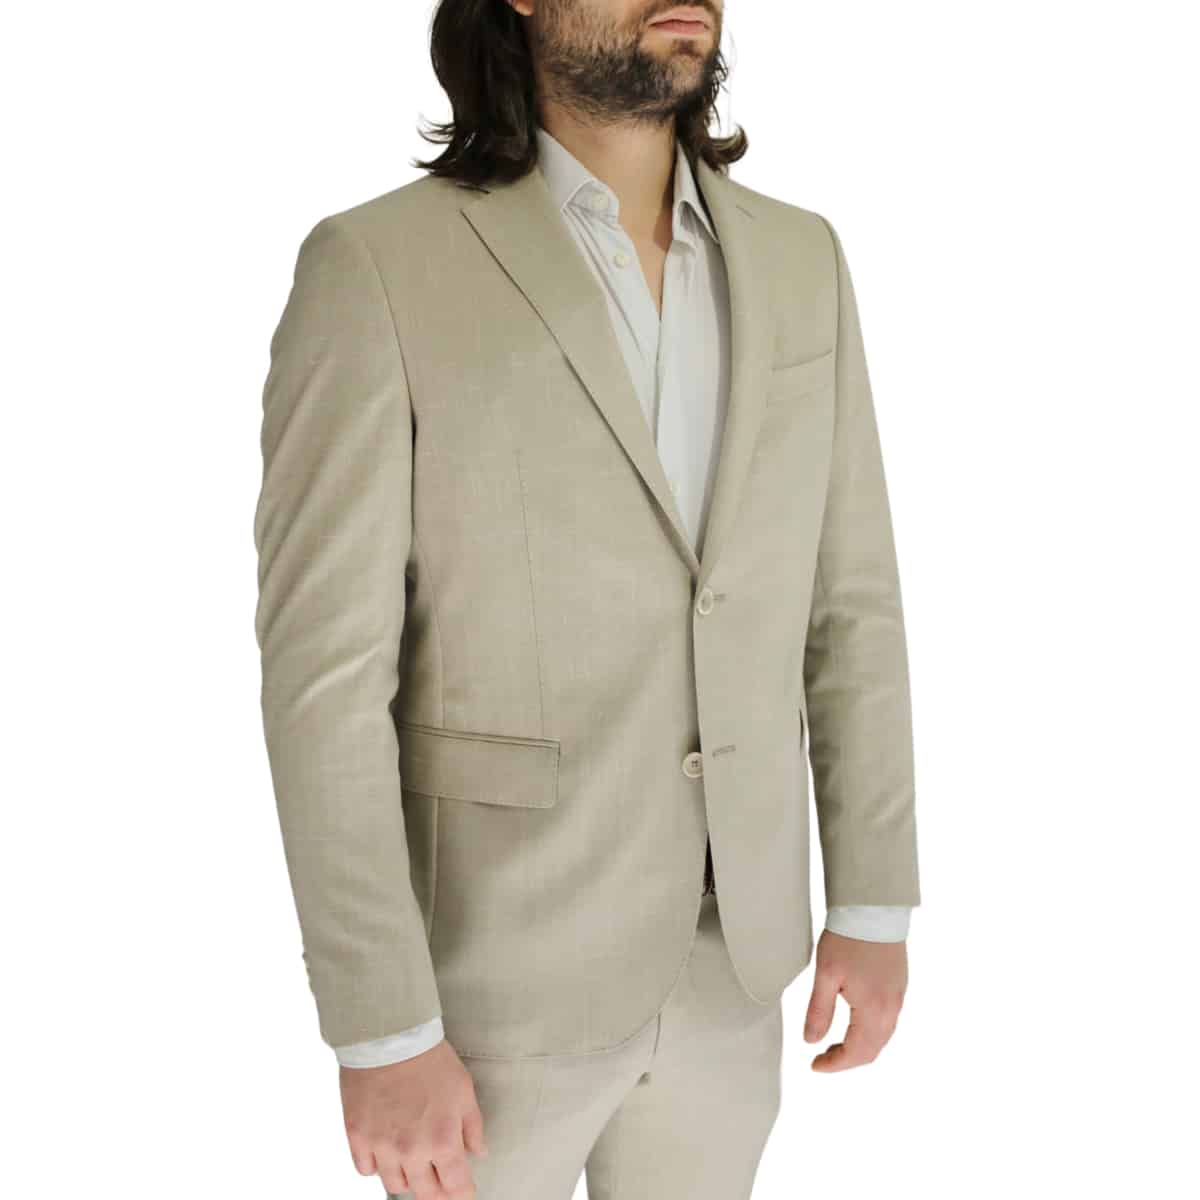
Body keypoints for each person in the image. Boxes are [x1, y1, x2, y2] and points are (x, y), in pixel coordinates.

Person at [252, 2, 920, 1196]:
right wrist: (382, 1027)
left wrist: (872, 902)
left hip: (734, 969)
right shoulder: (378, 267)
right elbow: (325, 681)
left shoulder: (802, 259)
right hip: (488, 985)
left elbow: (849, 602)